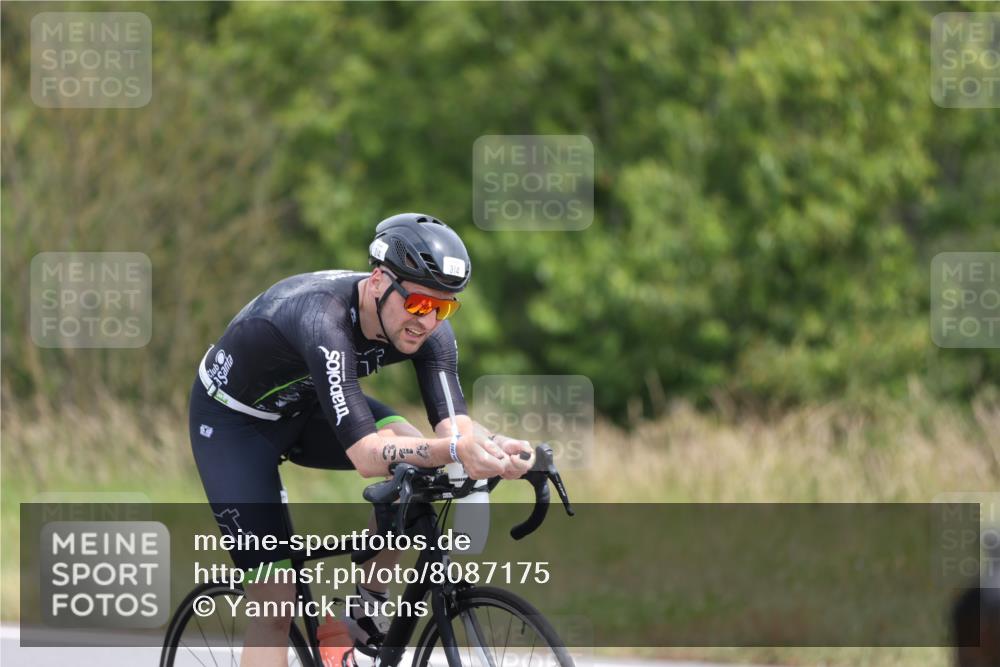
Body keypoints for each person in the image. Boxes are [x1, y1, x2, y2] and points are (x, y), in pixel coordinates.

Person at [188, 213, 534, 667]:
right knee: (274, 602)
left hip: (305, 405)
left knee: (417, 462)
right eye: (417, 304)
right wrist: (451, 450)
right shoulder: (323, 320)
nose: (427, 321)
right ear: (377, 283)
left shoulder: (429, 330)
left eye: (444, 308)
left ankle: (364, 615)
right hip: (234, 424)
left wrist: (498, 448)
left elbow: (456, 429)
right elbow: (368, 457)